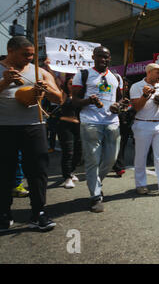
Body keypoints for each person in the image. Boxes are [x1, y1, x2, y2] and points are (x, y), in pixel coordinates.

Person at [0, 36, 62, 231]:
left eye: (32, 55)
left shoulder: (39, 71)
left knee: (38, 172)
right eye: (25, 55)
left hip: (35, 125)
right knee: (4, 172)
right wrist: (4, 82)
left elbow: (59, 98)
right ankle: (3, 212)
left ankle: (38, 212)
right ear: (10, 51)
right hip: (4, 127)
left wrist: (44, 90)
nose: (30, 58)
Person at [72, 46, 123, 213]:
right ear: (93, 57)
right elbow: (74, 101)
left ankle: (96, 183)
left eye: (106, 57)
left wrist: (118, 106)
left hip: (112, 122)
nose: (104, 59)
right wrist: (88, 101)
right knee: (93, 159)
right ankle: (95, 196)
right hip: (90, 122)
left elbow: (122, 101)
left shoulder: (116, 77)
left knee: (111, 159)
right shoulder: (83, 74)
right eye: (100, 56)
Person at [130, 63, 159, 195]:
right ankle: (140, 185)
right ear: (149, 72)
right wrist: (145, 96)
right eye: (158, 72)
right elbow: (136, 107)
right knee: (141, 156)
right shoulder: (136, 86)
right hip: (142, 124)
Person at [57, 75, 82, 189]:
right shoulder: (63, 94)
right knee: (68, 152)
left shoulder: (82, 96)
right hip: (65, 127)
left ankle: (71, 172)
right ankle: (67, 177)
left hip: (79, 127)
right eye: (70, 83)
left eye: (74, 83)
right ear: (66, 85)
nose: (72, 86)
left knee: (79, 151)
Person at [112, 78, 134, 177]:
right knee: (115, 144)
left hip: (126, 123)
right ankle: (118, 166)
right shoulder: (113, 94)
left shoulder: (129, 96)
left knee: (122, 144)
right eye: (122, 85)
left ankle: (118, 164)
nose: (125, 87)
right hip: (114, 122)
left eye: (126, 86)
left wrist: (127, 108)